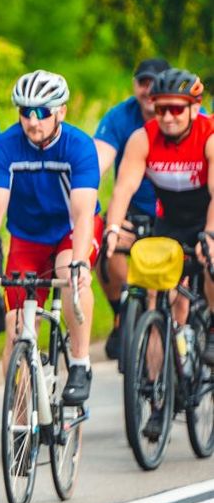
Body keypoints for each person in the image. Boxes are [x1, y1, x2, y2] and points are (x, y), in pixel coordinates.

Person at [0, 70, 100, 405]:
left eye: (42, 112)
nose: (33, 120)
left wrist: (81, 261)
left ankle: (81, 362)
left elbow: (84, 212)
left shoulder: (79, 146)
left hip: (70, 232)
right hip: (27, 237)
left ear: (62, 112)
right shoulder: (4, 145)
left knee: (67, 272)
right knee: (17, 330)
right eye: (25, 112)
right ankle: (22, 424)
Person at [103, 68, 214, 370]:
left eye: (176, 109)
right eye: (161, 108)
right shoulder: (143, 138)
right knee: (156, 297)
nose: (167, 117)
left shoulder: (209, 136)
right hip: (170, 223)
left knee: (210, 263)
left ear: (194, 107)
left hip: (207, 217)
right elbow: (123, 188)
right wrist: (112, 228)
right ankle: (155, 394)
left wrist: (210, 234)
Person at [94, 58, 170, 359]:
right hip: (135, 206)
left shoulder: (185, 113)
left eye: (155, 83)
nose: (148, 89)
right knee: (103, 238)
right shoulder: (120, 117)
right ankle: (123, 311)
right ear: (135, 85)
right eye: (142, 82)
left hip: (175, 210)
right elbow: (99, 161)